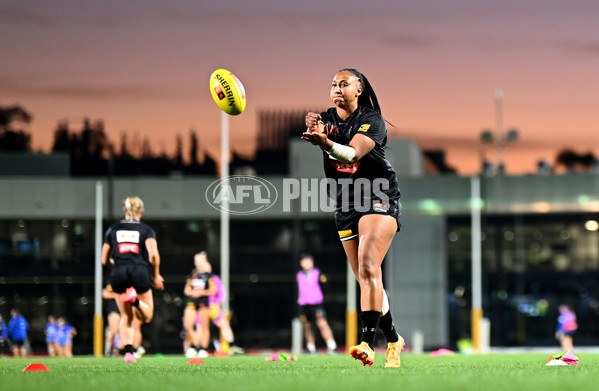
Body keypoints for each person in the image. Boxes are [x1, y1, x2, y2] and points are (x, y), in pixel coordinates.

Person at [302, 68, 404, 368]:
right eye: (333, 83)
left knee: (369, 266)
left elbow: (351, 155)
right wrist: (315, 127)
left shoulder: (371, 121)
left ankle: (367, 344)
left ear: (358, 90)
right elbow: (322, 129)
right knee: (366, 278)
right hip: (345, 203)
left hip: (378, 194)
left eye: (344, 84)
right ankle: (395, 341)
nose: (336, 88)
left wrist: (324, 143)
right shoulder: (327, 119)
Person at [101, 196, 164, 363]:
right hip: (139, 270)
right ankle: (135, 301)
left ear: (124, 211)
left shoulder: (113, 229)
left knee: (125, 317)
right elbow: (153, 255)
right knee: (147, 316)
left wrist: (114, 264)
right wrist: (156, 275)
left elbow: (104, 259)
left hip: (119, 271)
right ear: (141, 211)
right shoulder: (146, 230)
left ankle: (128, 353)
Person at [296, 253, 338, 354]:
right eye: (303, 261)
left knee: (322, 323)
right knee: (307, 326)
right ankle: (311, 348)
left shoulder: (318, 273)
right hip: (304, 304)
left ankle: (332, 346)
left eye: (307, 261)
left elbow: (325, 287)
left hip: (316, 304)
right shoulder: (299, 275)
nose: (305, 263)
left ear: (312, 262)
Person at [206, 263, 245, 355]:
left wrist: (217, 303)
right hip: (200, 307)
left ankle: (231, 346)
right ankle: (197, 348)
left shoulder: (214, 279)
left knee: (224, 325)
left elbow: (220, 293)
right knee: (201, 327)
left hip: (213, 306)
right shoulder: (195, 276)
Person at [183, 251, 216, 358]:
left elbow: (213, 290)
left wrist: (202, 292)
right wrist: (192, 293)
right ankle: (194, 346)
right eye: (196, 261)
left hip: (203, 302)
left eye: (200, 260)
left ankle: (203, 348)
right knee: (187, 325)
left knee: (204, 326)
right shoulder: (192, 275)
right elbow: (187, 290)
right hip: (193, 301)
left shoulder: (208, 276)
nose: (197, 263)